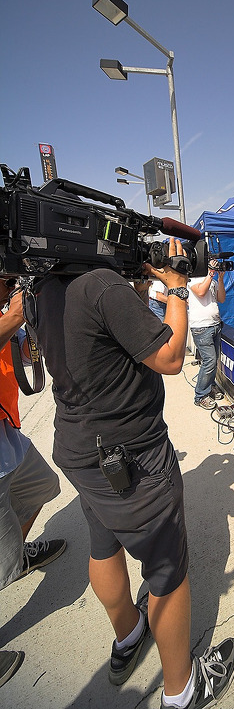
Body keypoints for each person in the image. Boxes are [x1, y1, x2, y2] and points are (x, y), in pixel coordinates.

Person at [29, 240, 234, 709]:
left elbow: (99, 345)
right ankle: (181, 690)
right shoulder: (101, 285)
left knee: (103, 544)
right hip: (131, 458)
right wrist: (179, 290)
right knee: (167, 568)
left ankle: (127, 638)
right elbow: (167, 356)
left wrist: (142, 284)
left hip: (81, 449)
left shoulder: (43, 286)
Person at [1, 278, 66, 688]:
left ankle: (16, 555)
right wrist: (16, 314)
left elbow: (25, 355)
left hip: (5, 430)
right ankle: (8, 558)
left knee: (42, 486)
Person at [189, 259, 226, 410]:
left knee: (213, 360)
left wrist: (221, 279)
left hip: (215, 325)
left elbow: (221, 298)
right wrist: (211, 274)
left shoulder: (212, 280)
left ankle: (209, 387)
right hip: (201, 327)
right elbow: (200, 292)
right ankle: (200, 395)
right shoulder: (193, 278)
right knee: (209, 361)